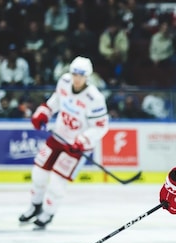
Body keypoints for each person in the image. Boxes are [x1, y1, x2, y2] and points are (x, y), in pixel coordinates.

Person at [18, 56, 109, 229]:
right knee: (38, 173)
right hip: (58, 136)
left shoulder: (94, 98)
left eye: (81, 75)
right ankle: (35, 206)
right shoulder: (64, 82)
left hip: (76, 147)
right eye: (75, 73)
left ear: (87, 76)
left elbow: (101, 127)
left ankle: (48, 213)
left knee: (57, 182)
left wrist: (82, 140)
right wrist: (43, 112)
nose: (77, 78)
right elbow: (56, 101)